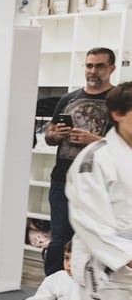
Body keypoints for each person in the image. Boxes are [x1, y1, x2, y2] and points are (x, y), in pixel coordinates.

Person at [67, 81, 132, 300]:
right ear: (118, 114)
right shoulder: (95, 158)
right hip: (103, 265)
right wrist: (126, 257)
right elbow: (87, 219)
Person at [45, 50, 114, 275]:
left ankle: (86, 287)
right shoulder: (68, 99)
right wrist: (57, 135)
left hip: (99, 183)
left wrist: (94, 140)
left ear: (111, 68)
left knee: (92, 240)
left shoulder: (119, 102)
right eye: (89, 65)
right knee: (59, 238)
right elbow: (49, 137)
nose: (93, 71)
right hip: (63, 179)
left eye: (99, 66)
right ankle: (53, 286)